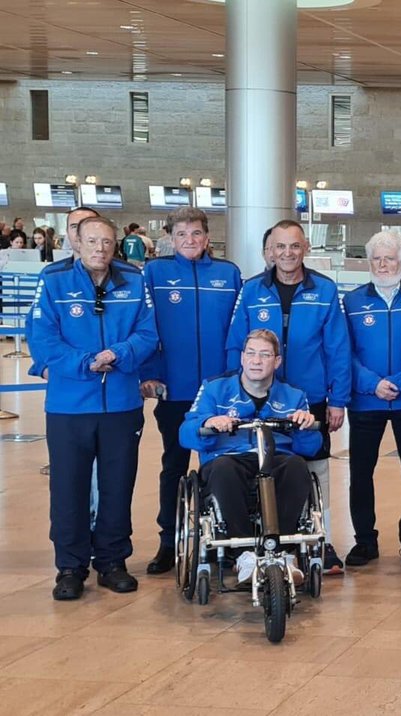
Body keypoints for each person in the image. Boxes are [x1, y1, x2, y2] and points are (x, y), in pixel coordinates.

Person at [28, 215, 157, 600]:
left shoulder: (134, 281)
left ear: (115, 244)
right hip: (69, 405)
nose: (99, 249)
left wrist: (119, 354)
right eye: (92, 241)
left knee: (118, 486)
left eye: (106, 242)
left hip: (120, 403)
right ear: (76, 243)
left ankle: (112, 561)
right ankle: (70, 566)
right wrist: (84, 362)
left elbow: (148, 332)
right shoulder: (53, 281)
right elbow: (42, 337)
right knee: (68, 488)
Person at [226, 219, 351, 573]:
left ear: (306, 248)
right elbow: (236, 343)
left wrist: (338, 399)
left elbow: (338, 347)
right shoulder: (251, 290)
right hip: (258, 395)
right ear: (269, 251)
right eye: (280, 247)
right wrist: (235, 391)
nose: (287, 253)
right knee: (259, 462)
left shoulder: (324, 290)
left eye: (294, 246)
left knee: (314, 466)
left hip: (309, 398)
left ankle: (320, 540)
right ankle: (255, 538)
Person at [138, 207, 242, 574]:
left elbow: (236, 330)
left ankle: (226, 539)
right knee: (175, 464)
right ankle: (170, 540)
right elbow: (145, 327)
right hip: (175, 387)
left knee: (221, 465)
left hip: (219, 391)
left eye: (195, 233)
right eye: (181, 234)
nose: (189, 241)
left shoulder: (228, 274)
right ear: (170, 237)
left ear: (206, 236)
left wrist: (234, 379)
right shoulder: (155, 273)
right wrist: (149, 373)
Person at [180, 329, 321, 582]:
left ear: (277, 361)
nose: (257, 361)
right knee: (224, 469)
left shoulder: (294, 395)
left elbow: (309, 448)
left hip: (274, 456)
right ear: (242, 357)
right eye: (251, 354)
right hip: (228, 457)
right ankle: (244, 555)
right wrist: (210, 422)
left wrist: (307, 426)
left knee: (297, 466)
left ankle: (283, 552)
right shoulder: (214, 389)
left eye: (265, 355)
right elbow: (186, 432)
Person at [343, 231, 401, 567]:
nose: (382, 264)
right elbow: (342, 351)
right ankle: (365, 540)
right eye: (376, 258)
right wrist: (371, 383)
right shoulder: (352, 302)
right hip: (366, 402)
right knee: (361, 473)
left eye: (389, 258)